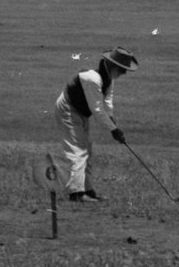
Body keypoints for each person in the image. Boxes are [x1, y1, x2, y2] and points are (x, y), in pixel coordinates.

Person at [55, 47, 137, 201]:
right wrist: (114, 130)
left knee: (87, 149)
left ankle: (88, 190)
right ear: (113, 66)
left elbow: (108, 100)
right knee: (78, 150)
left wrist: (112, 119)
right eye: (122, 69)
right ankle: (76, 194)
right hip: (68, 109)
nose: (124, 73)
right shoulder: (92, 79)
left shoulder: (108, 78)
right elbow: (97, 109)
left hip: (81, 112)